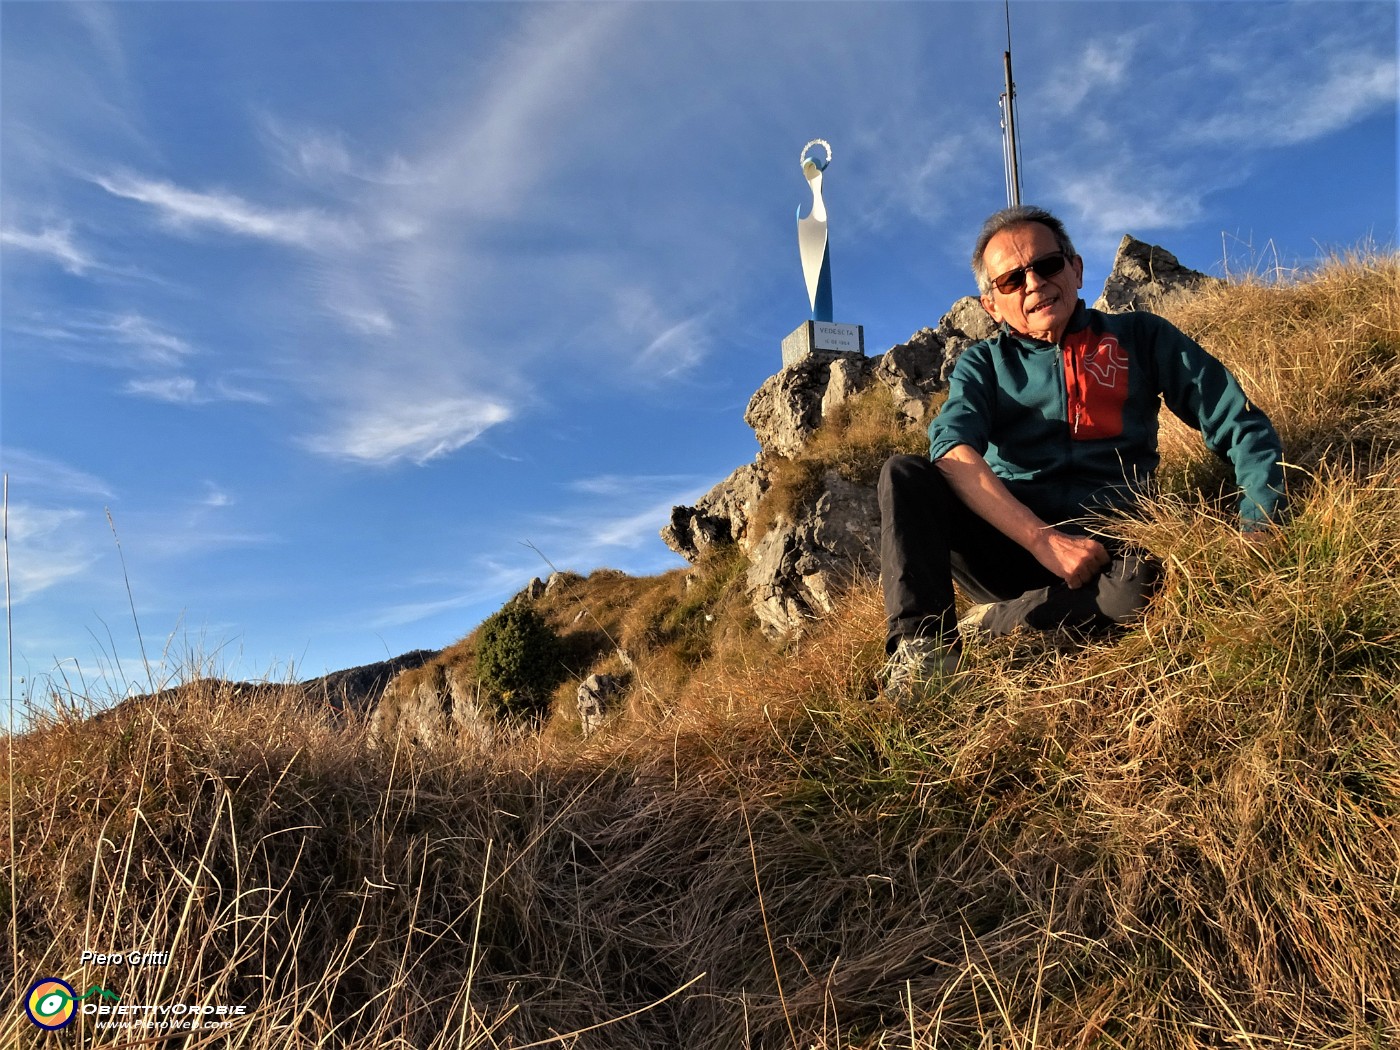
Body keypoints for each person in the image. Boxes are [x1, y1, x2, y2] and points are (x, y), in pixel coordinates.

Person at [879, 205, 1287, 695]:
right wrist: (1042, 540)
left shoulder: (1142, 337)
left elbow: (1237, 421)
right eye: (1010, 280)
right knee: (906, 474)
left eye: (1047, 265)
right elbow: (952, 453)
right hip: (1010, 543)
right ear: (991, 305)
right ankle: (926, 656)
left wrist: (1262, 522)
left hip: (1109, 545)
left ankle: (991, 626)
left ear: (1075, 268)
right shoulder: (983, 365)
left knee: (1142, 588)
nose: (1033, 284)